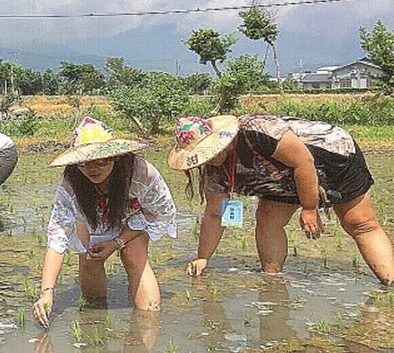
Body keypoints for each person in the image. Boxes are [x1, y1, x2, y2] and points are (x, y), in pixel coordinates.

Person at [167, 114, 394, 284]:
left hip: (329, 156)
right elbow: (215, 214)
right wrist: (203, 257)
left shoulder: (256, 130)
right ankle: (272, 281)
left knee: (359, 222)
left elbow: (303, 162)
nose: (208, 159)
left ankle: (390, 282)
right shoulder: (214, 168)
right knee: (267, 220)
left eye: (209, 151)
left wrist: (309, 207)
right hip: (281, 176)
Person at [33, 117, 176, 324]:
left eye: (102, 160)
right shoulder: (72, 181)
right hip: (93, 220)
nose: (93, 168)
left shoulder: (141, 172)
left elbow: (161, 212)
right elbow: (58, 233)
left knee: (133, 255)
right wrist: (46, 292)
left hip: (134, 219)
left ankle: (148, 325)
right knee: (90, 256)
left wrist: (118, 242)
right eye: (84, 162)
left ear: (116, 157)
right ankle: (95, 320)